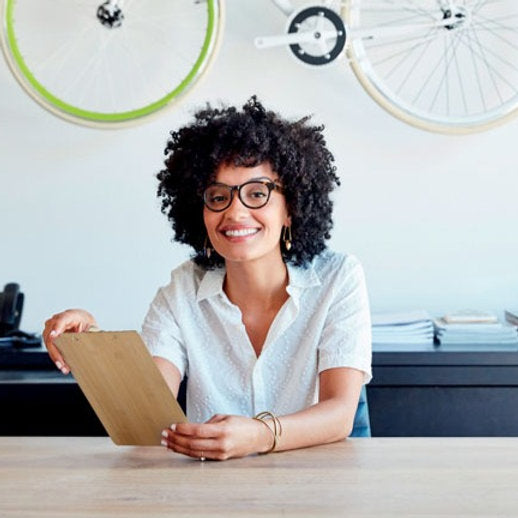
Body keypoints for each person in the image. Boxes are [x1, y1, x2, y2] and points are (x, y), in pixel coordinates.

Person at [43, 96, 372, 461]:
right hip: (212, 492)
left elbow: (340, 415)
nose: (235, 211)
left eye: (257, 194)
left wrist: (259, 434)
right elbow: (147, 410)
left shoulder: (338, 278)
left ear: (290, 208)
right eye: (218, 196)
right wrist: (91, 347)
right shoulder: (182, 289)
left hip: (320, 487)